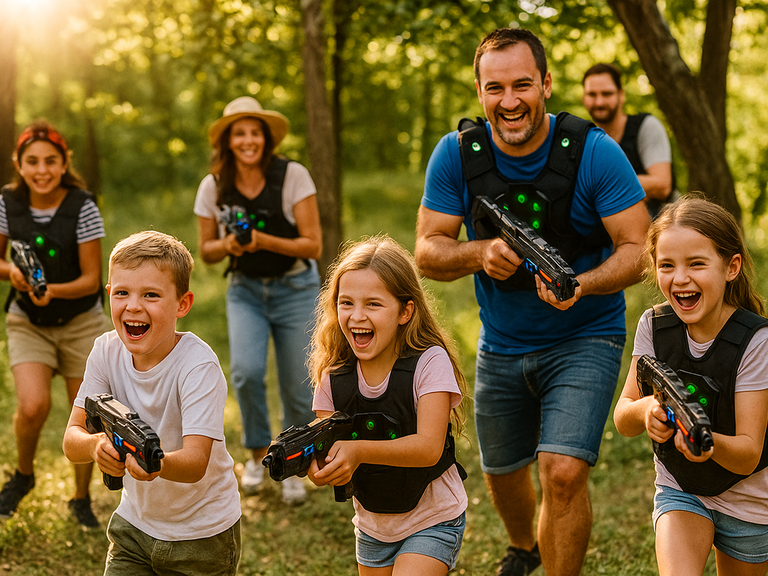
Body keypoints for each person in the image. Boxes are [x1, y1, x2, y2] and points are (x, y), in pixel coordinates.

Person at [415, 28, 650, 576]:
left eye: (523, 85)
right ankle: (524, 547)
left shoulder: (594, 152)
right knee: (501, 470)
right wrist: (479, 254)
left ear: (546, 84)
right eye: (495, 88)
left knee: (562, 472)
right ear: (480, 92)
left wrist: (582, 285)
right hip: (501, 342)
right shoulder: (456, 155)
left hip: (585, 334)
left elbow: (640, 249)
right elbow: (427, 251)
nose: (510, 101)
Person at [62, 230, 242, 575]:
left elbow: (195, 462)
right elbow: (72, 438)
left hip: (202, 535)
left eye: (151, 295)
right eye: (122, 293)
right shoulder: (105, 350)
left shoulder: (197, 365)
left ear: (182, 304)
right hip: (133, 527)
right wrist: (95, 445)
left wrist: (153, 464)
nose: (133, 306)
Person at [614, 196, 768, 576]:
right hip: (681, 487)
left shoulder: (756, 341)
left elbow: (748, 453)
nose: (680, 278)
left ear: (731, 267)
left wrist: (706, 447)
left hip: (750, 500)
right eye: (667, 265)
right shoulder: (653, 325)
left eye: (696, 263)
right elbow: (623, 415)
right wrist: (646, 409)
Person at [306, 235, 468, 576]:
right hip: (373, 525)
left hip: (432, 518)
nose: (356, 316)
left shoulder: (429, 363)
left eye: (373, 304)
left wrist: (358, 451)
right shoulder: (334, 378)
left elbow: (428, 449)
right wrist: (316, 464)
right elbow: (330, 448)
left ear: (405, 311)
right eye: (345, 303)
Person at [194, 96, 322, 504]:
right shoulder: (213, 185)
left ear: (266, 139)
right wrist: (231, 243)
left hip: (295, 287)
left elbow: (313, 243)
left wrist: (262, 240)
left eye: (255, 133)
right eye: (239, 133)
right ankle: (254, 456)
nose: (248, 140)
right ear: (228, 141)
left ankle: (293, 464)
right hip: (245, 290)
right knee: (247, 373)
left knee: (297, 384)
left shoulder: (293, 175)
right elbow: (207, 252)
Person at [0, 120, 108, 527]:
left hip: (81, 321)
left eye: (50, 161)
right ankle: (23, 475)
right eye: (32, 161)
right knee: (32, 407)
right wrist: (11, 271)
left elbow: (90, 279)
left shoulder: (82, 205)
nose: (41, 169)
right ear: (19, 164)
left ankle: (80, 498)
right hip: (28, 320)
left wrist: (51, 291)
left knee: (85, 413)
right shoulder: (7, 202)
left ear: (64, 163)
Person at [582, 62, 676, 218]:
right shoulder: (585, 138)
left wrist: (602, 185)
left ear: (621, 95)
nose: (599, 102)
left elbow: (662, 185)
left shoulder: (646, 126)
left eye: (607, 94)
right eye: (592, 94)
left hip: (663, 223)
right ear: (584, 98)